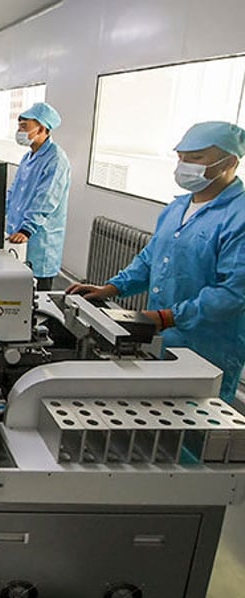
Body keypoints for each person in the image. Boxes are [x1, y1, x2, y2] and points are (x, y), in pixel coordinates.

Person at [67, 121, 245, 404]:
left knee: (196, 425)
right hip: (162, 338)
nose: (185, 165)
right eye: (181, 157)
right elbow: (150, 259)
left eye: (196, 158)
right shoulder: (178, 207)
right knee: (160, 418)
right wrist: (111, 288)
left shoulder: (239, 217)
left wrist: (168, 318)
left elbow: (232, 294)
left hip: (207, 347)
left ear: (230, 161)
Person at [5, 102, 71, 291]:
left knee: (38, 300)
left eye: (24, 126)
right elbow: (14, 191)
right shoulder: (28, 157)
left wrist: (27, 229)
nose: (19, 131)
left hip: (38, 240)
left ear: (42, 128)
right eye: (19, 126)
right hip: (17, 235)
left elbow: (47, 199)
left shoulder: (56, 159)